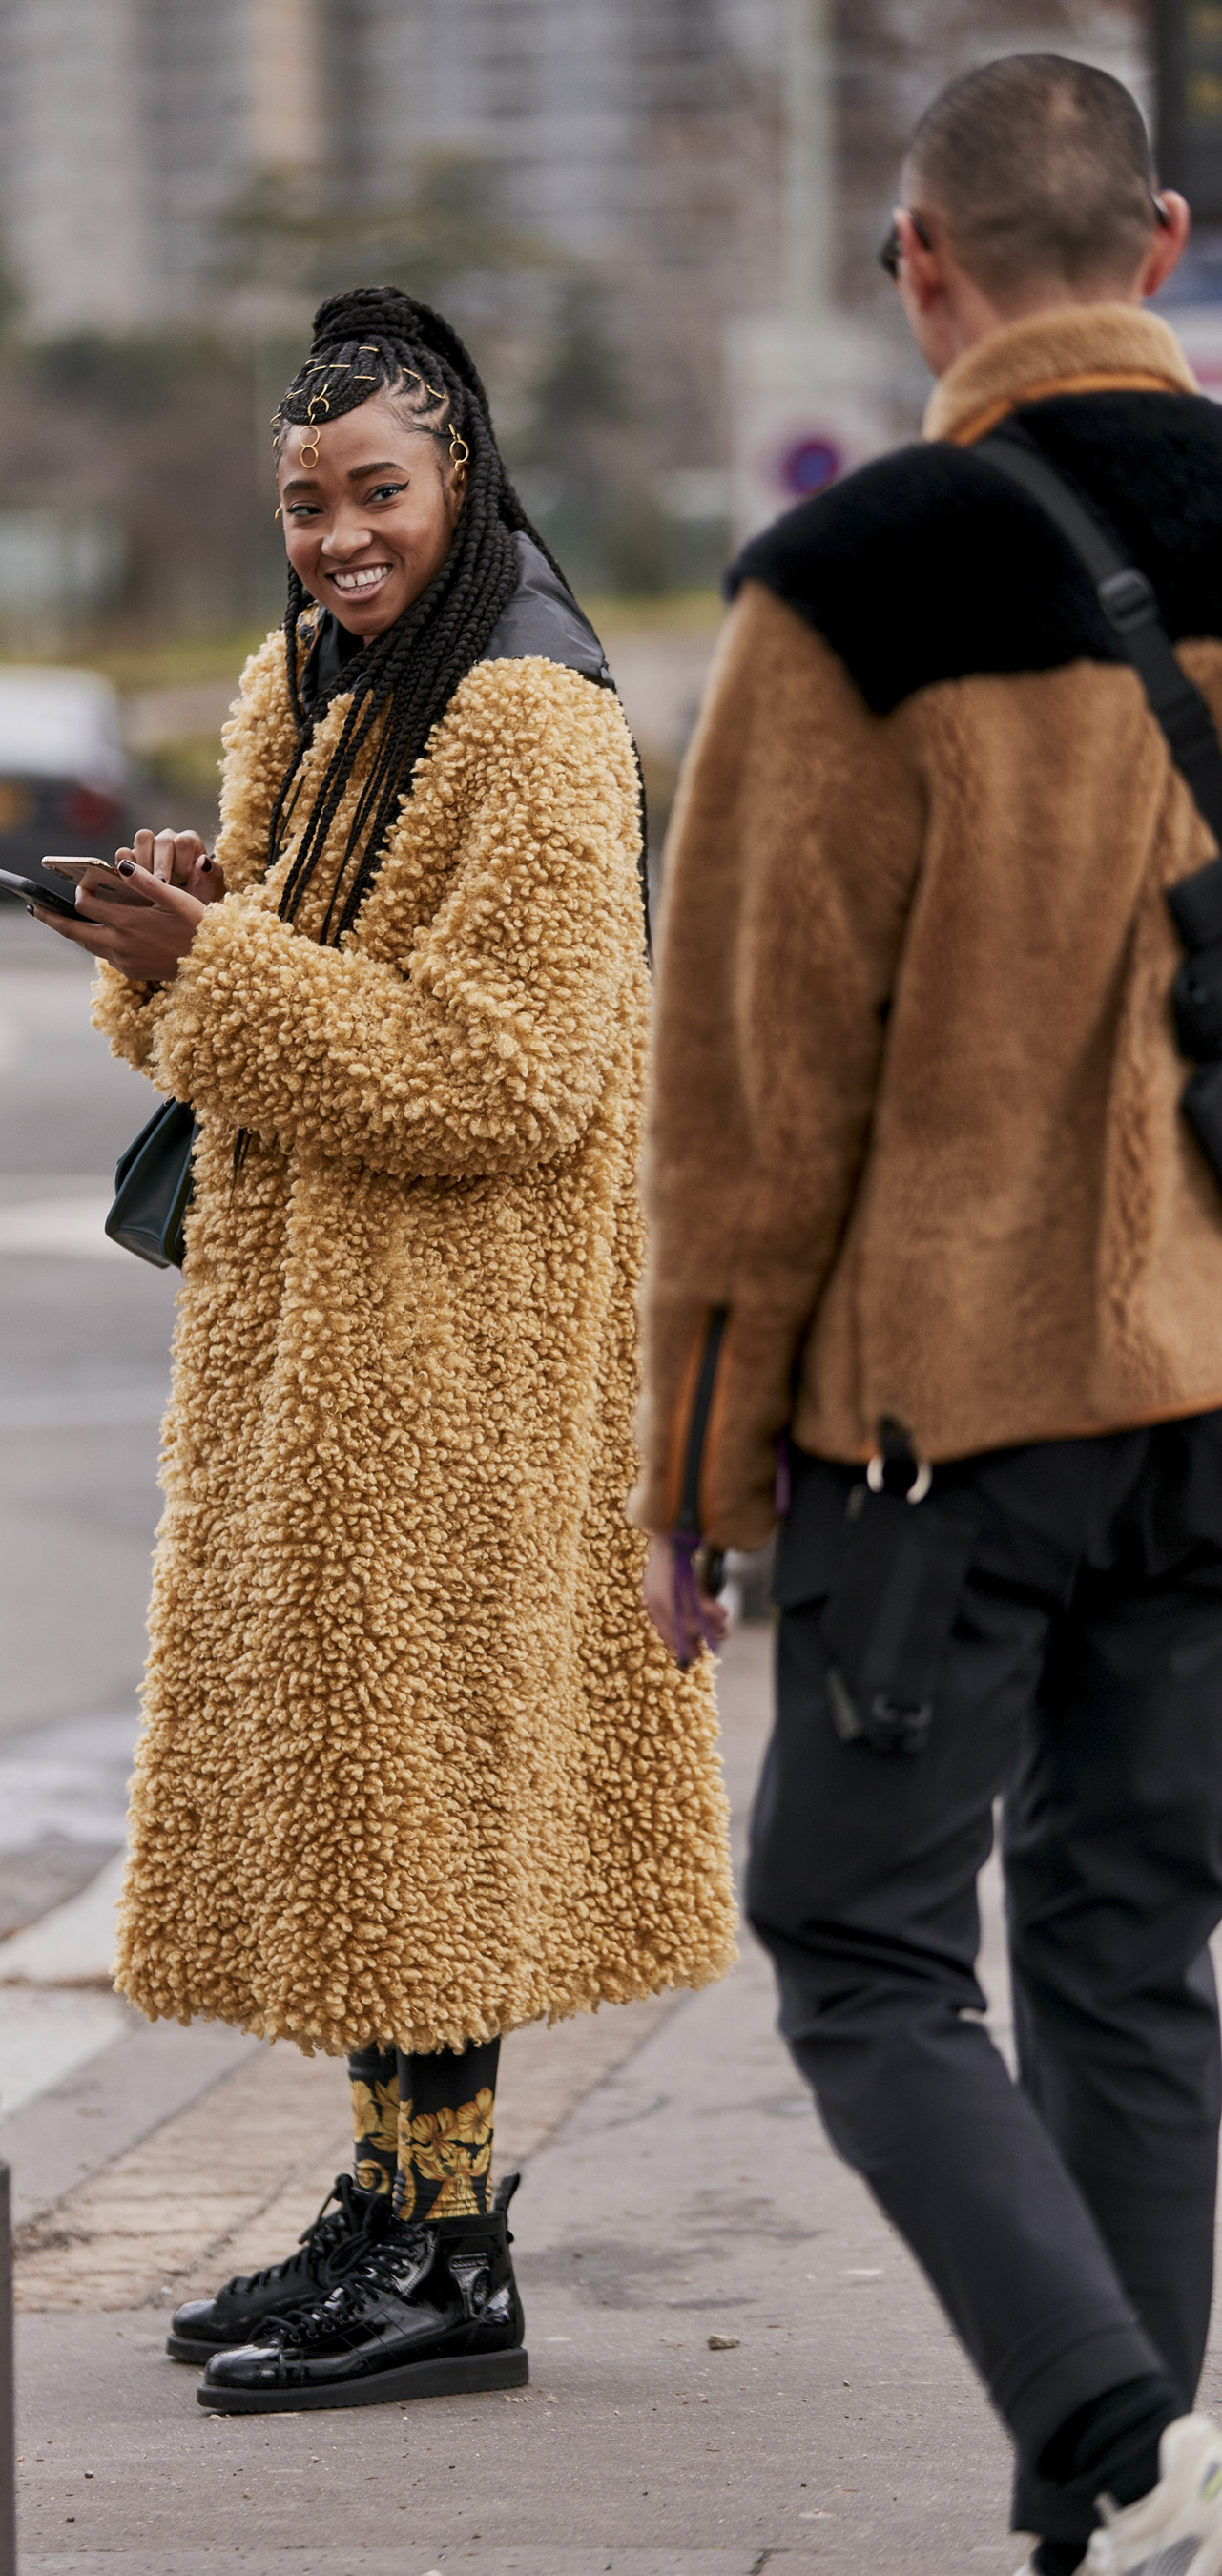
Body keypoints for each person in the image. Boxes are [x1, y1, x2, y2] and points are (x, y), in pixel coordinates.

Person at [26, 283, 735, 2415]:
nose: (336, 538)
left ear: (465, 481)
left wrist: (219, 966)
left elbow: (510, 1075)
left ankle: (454, 2252)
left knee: (413, 1803)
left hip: (460, 1361)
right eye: (306, 503)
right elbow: (274, 1018)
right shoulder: (323, 689)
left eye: (378, 496)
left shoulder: (527, 713)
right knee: (358, 1796)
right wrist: (185, 934)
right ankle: (388, 2208)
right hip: (325, 1335)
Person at [636, 51, 1222, 2576]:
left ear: (920, 261)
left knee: (856, 1929)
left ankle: (1085, 2390)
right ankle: (1134, 2486)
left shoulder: (850, 584)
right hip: (1220, 1379)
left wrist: (693, 1482)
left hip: (943, 1404)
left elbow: (749, 1097)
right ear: (1168, 240)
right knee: (1130, 1935)